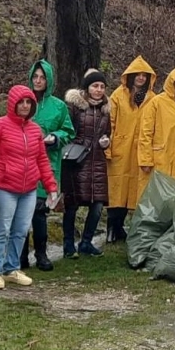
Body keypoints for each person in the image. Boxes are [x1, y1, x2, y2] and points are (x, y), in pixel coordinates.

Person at [0, 85, 59, 290]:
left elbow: (42, 159)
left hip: (29, 190)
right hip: (5, 187)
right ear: (13, 104)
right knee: (1, 230)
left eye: (29, 102)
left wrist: (51, 186)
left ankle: (12, 268)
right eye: (21, 102)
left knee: (21, 230)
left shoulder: (35, 130)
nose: (25, 106)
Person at [20, 60, 75, 271]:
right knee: (22, 212)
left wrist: (55, 136)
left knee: (39, 211)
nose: (38, 81)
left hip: (48, 163)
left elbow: (69, 131)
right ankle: (21, 256)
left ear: (49, 80)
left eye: (42, 78)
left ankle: (41, 254)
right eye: (35, 77)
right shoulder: (23, 101)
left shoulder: (59, 106)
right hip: (23, 164)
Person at [105, 56, 156, 242]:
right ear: (131, 76)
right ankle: (112, 228)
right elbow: (109, 123)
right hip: (120, 149)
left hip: (139, 151)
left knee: (132, 191)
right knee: (116, 190)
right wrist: (108, 149)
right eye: (138, 75)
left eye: (145, 75)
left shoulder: (152, 98)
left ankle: (121, 228)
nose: (141, 78)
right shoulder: (118, 95)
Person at [63, 70, 112, 258]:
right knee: (72, 204)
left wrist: (107, 141)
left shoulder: (107, 110)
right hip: (77, 161)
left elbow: (108, 132)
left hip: (98, 161)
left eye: (101, 86)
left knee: (98, 205)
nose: (98, 90)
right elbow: (68, 131)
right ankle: (68, 245)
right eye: (95, 86)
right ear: (87, 87)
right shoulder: (75, 106)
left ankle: (86, 242)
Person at [137, 67, 175, 197]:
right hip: (158, 161)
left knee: (173, 199)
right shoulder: (156, 102)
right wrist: (145, 160)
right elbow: (145, 133)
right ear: (171, 82)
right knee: (153, 198)